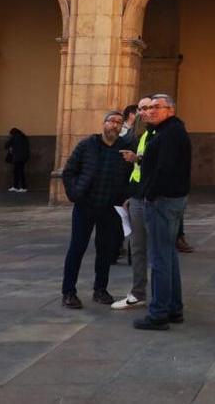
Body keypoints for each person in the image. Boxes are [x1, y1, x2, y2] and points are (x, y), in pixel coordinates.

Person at [60, 111, 133, 309]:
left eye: (119, 122)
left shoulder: (125, 149)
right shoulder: (88, 145)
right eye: (111, 121)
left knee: (105, 250)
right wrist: (74, 193)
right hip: (85, 205)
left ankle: (100, 289)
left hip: (110, 208)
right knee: (77, 248)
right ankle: (68, 292)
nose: (115, 125)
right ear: (104, 124)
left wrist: (125, 196)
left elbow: (130, 176)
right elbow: (69, 171)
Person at [133, 94, 192, 330]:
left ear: (171, 110)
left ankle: (158, 312)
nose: (151, 111)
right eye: (149, 108)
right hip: (172, 199)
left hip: (163, 200)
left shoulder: (169, 133)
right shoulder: (170, 131)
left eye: (158, 107)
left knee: (159, 257)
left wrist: (149, 192)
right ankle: (173, 308)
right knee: (168, 255)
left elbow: (164, 168)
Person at [114, 97, 152, 310]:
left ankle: (159, 294)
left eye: (151, 108)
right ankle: (138, 291)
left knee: (155, 249)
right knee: (137, 247)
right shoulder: (135, 137)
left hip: (154, 198)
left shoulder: (159, 135)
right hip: (136, 196)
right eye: (143, 108)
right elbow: (128, 171)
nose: (147, 112)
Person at [5, 127, 30, 193]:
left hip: (17, 157)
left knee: (17, 172)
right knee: (20, 172)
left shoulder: (14, 137)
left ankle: (18, 186)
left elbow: (6, 145)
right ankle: (21, 187)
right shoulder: (24, 137)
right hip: (23, 158)